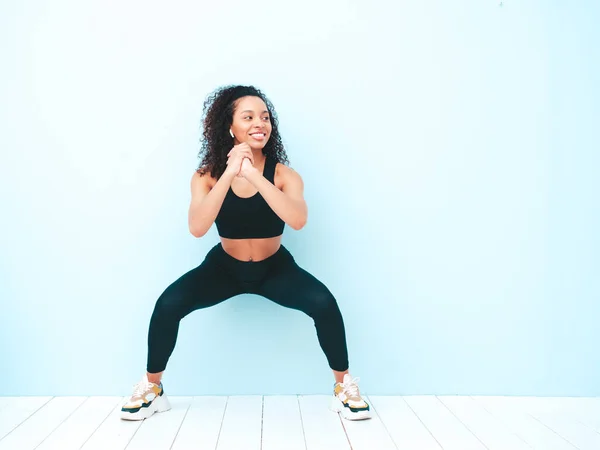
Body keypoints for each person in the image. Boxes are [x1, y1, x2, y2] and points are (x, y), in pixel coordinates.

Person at [120, 85, 370, 422]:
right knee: (168, 305)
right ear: (230, 127)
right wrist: (230, 173)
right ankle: (152, 389)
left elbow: (297, 220)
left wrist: (253, 173)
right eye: (248, 116)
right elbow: (197, 227)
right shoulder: (205, 177)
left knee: (324, 304)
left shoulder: (283, 175)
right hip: (224, 269)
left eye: (265, 117)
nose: (260, 123)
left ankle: (344, 388)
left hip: (274, 269)